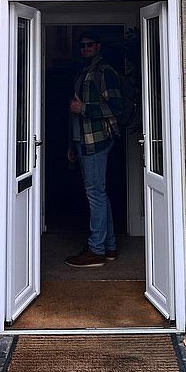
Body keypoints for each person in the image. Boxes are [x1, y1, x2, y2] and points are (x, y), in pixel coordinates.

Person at [65, 30, 122, 268]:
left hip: (97, 140)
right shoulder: (84, 71)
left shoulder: (104, 72)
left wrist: (84, 108)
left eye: (89, 45)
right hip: (83, 140)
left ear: (98, 46)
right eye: (82, 46)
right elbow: (74, 111)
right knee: (99, 192)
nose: (85, 49)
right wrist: (72, 142)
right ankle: (108, 247)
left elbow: (116, 107)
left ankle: (96, 250)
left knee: (95, 194)